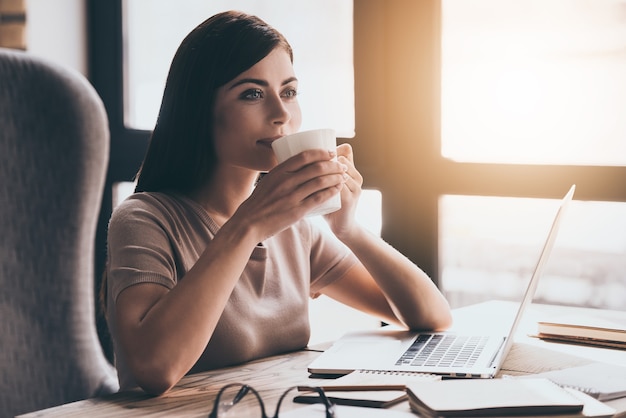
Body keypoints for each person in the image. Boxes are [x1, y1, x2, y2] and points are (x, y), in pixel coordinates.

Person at [102, 10, 452, 396]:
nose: (281, 114)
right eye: (252, 94)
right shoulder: (145, 219)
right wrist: (248, 224)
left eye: (288, 92)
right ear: (199, 111)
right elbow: (154, 368)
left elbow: (431, 317)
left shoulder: (294, 229)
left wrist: (348, 229)